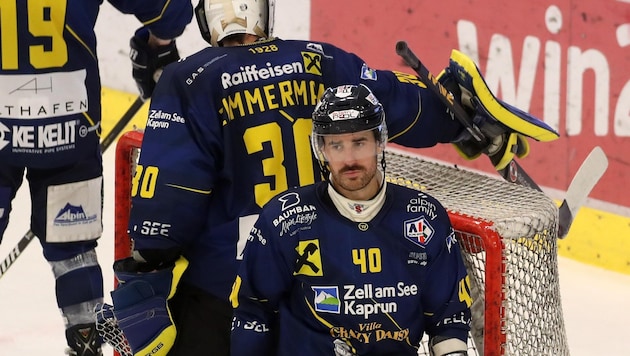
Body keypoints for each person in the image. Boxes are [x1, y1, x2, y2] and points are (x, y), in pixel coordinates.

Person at [99, 0, 558, 355]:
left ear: (205, 20)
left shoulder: (189, 79)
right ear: (265, 13)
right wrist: (460, 119)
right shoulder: (319, 59)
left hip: (231, 291)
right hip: (321, 292)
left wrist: (148, 267)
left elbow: (170, 195)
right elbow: (395, 105)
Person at [0, 1, 192, 355]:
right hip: (69, 126)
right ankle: (85, 340)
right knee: (74, 248)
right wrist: (157, 48)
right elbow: (171, 11)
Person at [230, 83, 472, 355]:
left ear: (379, 141)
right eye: (336, 145)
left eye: (359, 143)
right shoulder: (285, 220)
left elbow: (447, 321)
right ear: (322, 149)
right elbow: (252, 313)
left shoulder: (423, 216)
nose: (349, 160)